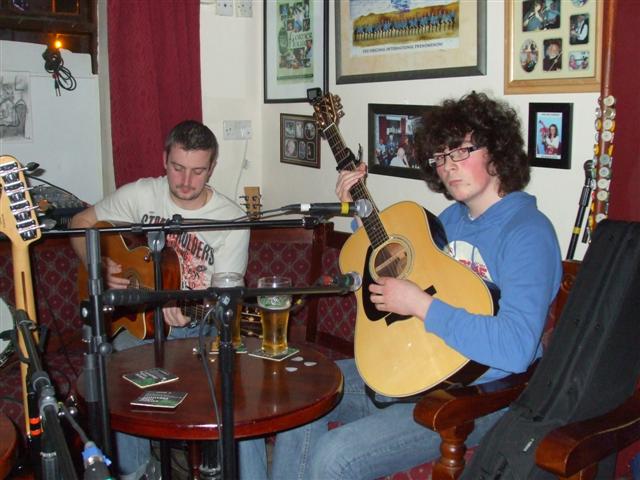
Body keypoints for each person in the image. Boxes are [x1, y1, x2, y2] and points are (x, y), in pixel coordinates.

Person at [266, 92, 562, 479]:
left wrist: (422, 306)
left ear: (497, 148)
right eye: (440, 157)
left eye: (460, 152)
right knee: (302, 400)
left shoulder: (527, 234)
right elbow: (406, 271)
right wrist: (359, 214)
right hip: (412, 365)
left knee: (336, 454)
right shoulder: (452, 219)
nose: (448, 167)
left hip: (473, 398)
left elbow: (516, 348)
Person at [70, 120, 264, 480]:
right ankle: (136, 473)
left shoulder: (231, 219)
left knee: (236, 389)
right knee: (112, 372)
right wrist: (99, 265)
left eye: (197, 171)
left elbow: (226, 301)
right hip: (140, 326)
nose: (186, 181)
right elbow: (81, 223)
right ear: (164, 160)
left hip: (197, 330)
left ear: (212, 168)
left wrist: (192, 313)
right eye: (177, 168)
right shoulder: (143, 194)